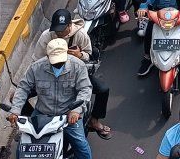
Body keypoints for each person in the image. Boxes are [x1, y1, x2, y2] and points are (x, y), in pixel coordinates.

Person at [7, 38, 93, 159]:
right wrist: (15, 110)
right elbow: (23, 88)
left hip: (68, 115)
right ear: (47, 55)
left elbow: (85, 89)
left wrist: (76, 110)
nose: (58, 63)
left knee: (80, 144)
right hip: (42, 114)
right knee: (23, 147)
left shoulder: (78, 66)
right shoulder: (36, 67)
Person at [34, 9, 111, 140]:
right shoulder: (46, 37)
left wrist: (79, 55)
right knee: (18, 95)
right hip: (50, 75)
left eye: (62, 30)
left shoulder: (80, 36)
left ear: (70, 25)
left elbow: (90, 55)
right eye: (57, 30)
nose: (59, 33)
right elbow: (36, 61)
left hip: (76, 75)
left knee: (103, 90)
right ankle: (34, 124)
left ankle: (94, 120)